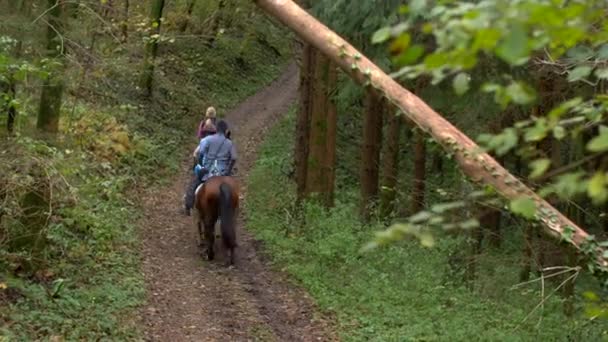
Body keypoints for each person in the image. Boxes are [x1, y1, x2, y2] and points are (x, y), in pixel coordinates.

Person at [184, 120, 237, 216]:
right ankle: (234, 209)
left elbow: (201, 153)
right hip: (222, 173)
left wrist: (201, 165)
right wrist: (228, 169)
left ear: (216, 129)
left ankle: (188, 204)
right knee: (233, 187)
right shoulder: (229, 143)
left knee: (194, 184)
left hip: (208, 172)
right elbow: (233, 158)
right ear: (225, 130)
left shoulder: (207, 140)